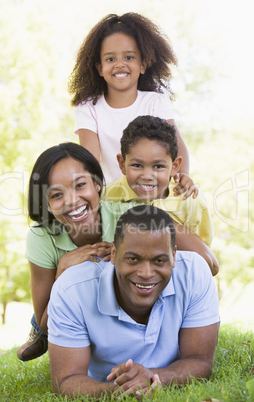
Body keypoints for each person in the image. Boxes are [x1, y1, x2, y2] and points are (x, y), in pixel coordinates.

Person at [17, 142, 212, 362]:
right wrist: (62, 271)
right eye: (56, 195)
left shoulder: (132, 215)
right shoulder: (42, 237)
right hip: (85, 329)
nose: (72, 201)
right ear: (47, 204)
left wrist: (129, 252)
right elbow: (46, 324)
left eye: (80, 185)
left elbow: (209, 262)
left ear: (97, 184)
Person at [48, 205, 219, 399]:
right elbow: (66, 380)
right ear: (113, 253)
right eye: (133, 259)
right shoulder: (72, 289)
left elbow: (200, 361)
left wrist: (154, 377)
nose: (146, 273)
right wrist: (122, 390)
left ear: (174, 256)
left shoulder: (194, 273)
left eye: (159, 261)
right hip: (103, 382)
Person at [68, 12, 195, 196]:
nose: (120, 64)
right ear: (99, 68)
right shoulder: (88, 107)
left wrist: (183, 176)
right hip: (111, 197)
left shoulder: (155, 102)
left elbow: (176, 145)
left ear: (143, 65)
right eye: (110, 59)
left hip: (152, 194)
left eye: (129, 57)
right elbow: (89, 158)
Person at [104, 116, 217, 275]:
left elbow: (204, 262)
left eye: (158, 166)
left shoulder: (189, 201)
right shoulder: (107, 197)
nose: (148, 175)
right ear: (122, 164)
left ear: (175, 166)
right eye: (137, 165)